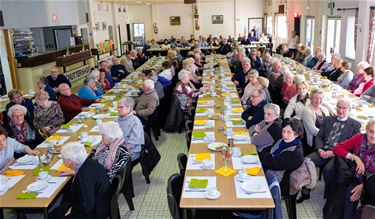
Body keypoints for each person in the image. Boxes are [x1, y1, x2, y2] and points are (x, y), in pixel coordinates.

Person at [297, 99, 361, 203]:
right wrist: (319, 149)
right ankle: (306, 190)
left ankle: (330, 195)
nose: (340, 110)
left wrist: (333, 153)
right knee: (306, 161)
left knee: (328, 170)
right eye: (338, 107)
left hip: (339, 155)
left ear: (350, 109)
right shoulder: (328, 119)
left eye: (344, 108)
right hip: (323, 150)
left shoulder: (355, 125)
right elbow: (319, 137)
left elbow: (352, 146)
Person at [324, 120, 375, 219]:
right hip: (355, 174)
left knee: (350, 194)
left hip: (371, 183)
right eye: (371, 131)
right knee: (345, 193)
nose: (373, 136)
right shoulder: (360, 138)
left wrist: (363, 186)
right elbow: (337, 148)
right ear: (366, 130)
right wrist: (355, 157)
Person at [50, 142, 111, 219]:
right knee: (54, 213)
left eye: (63, 158)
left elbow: (87, 206)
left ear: (70, 161)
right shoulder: (89, 162)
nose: (62, 160)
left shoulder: (83, 177)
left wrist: (72, 211)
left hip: (95, 212)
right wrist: (74, 172)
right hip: (100, 201)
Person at [259, 118, 304, 194]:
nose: (285, 135)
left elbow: (272, 164)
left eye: (289, 132)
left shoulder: (295, 152)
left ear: (296, 134)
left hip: (278, 181)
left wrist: (266, 156)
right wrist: (267, 156)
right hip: (267, 169)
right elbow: (265, 150)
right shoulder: (282, 141)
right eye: (283, 131)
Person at [301, 89, 330, 155]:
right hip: (314, 141)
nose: (318, 101)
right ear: (311, 99)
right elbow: (313, 130)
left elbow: (329, 125)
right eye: (316, 98)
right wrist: (327, 135)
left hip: (324, 138)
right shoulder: (307, 111)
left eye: (321, 98)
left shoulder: (324, 109)